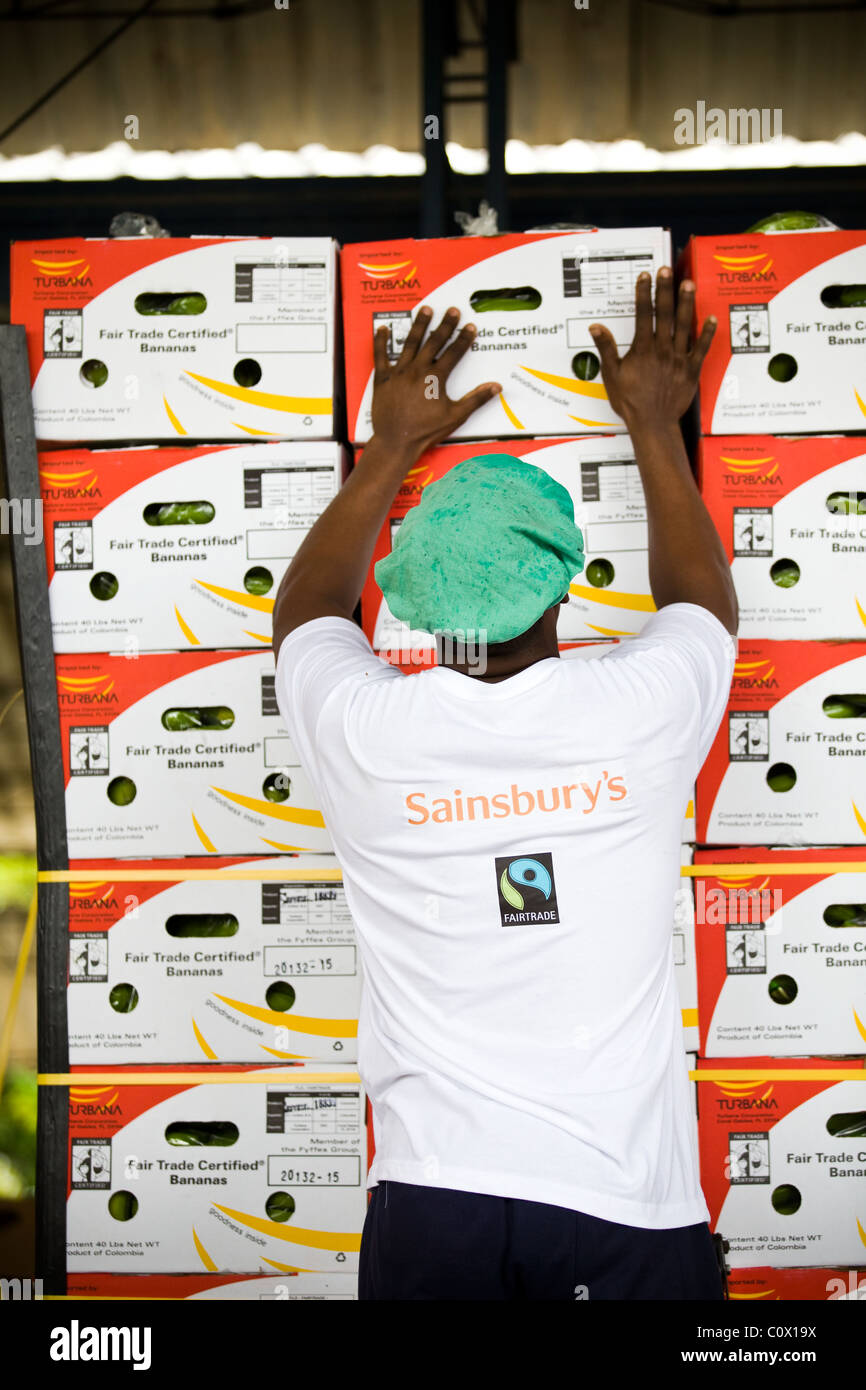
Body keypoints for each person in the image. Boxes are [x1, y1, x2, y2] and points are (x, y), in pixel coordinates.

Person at [272, 268, 738, 1301]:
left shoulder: (367, 732)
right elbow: (702, 600)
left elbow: (304, 610)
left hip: (430, 1202)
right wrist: (653, 425)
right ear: (562, 578)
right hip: (624, 1206)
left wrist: (389, 447)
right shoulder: (638, 707)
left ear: (414, 600)